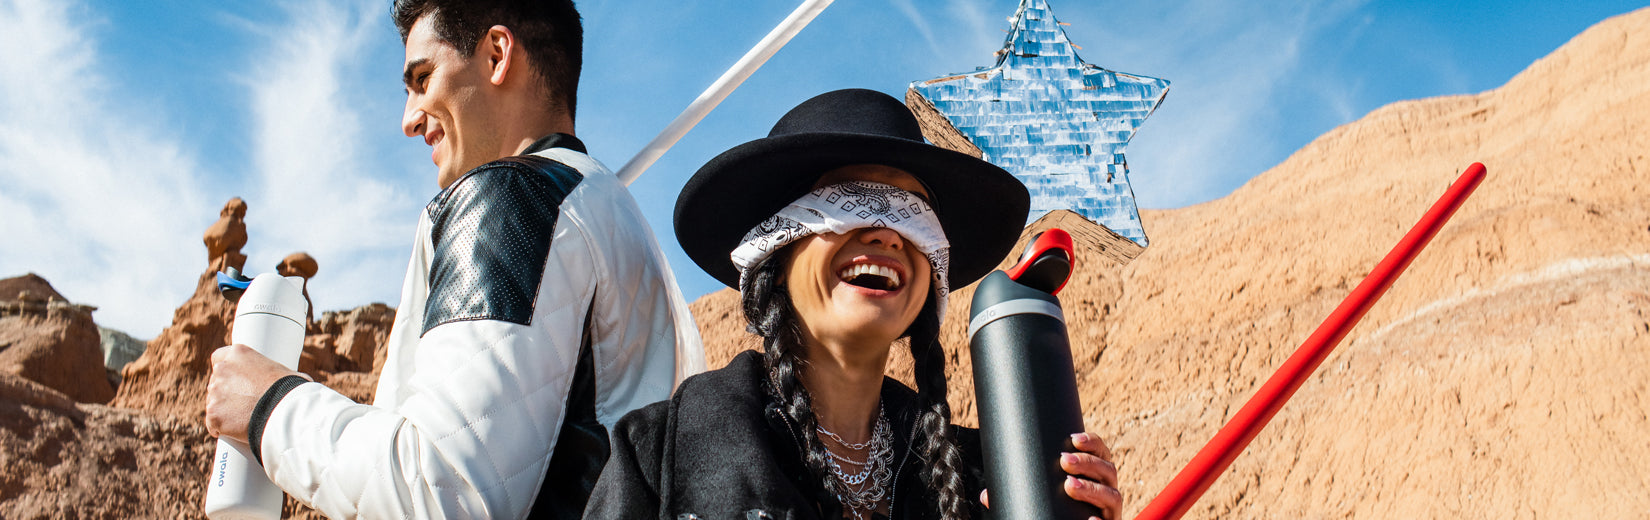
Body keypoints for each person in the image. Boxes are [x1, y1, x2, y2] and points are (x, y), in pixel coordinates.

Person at [203, 0, 704, 517]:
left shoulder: (513, 197)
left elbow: (442, 489)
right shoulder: (622, 222)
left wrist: (268, 406)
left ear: (495, 55)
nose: (408, 120)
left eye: (422, 79)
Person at [584, 89, 1122, 520]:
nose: (888, 235)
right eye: (850, 204)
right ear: (777, 247)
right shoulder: (657, 458)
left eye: (912, 215)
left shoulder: (990, 483)